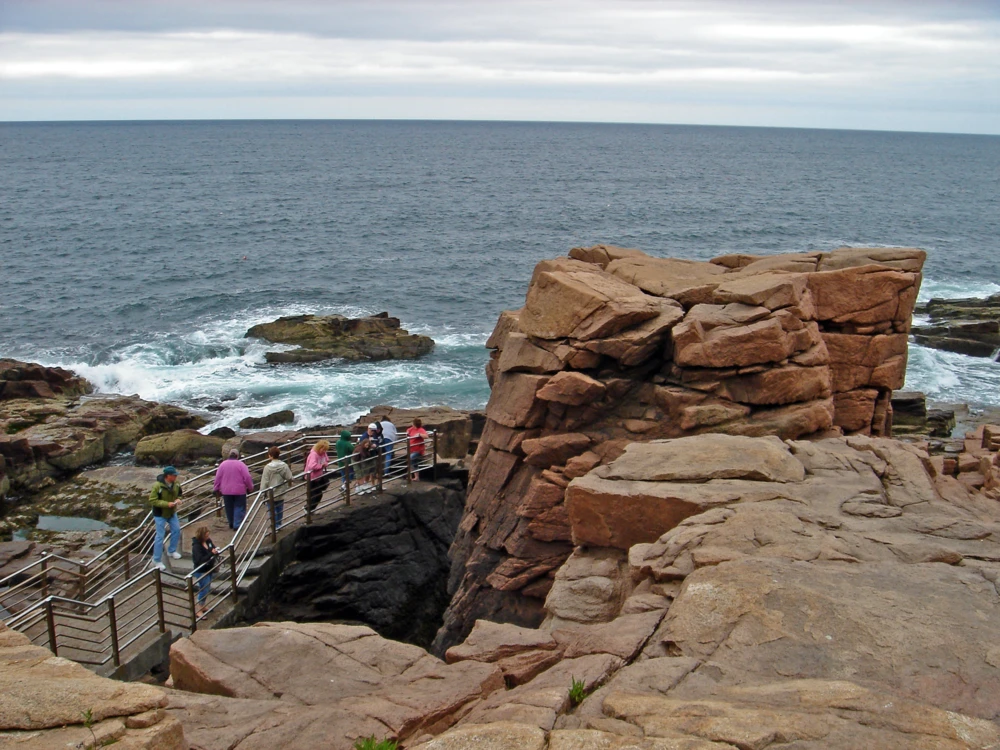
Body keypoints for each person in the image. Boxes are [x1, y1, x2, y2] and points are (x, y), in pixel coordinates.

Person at [149, 466, 183, 570]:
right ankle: (157, 560)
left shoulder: (176, 484)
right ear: (168, 476)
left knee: (177, 530)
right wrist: (166, 504)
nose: (176, 476)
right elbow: (152, 500)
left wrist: (178, 500)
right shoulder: (157, 486)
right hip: (160, 514)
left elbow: (180, 494)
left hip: (172, 512)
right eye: (174, 475)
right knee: (160, 536)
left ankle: (171, 550)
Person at [213, 449, 254, 530]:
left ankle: (231, 523)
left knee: (229, 507)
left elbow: (218, 477)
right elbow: (247, 477)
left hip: (226, 490)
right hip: (240, 490)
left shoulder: (222, 465)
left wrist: (216, 488)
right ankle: (237, 524)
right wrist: (250, 487)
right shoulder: (241, 464)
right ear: (237, 456)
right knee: (239, 507)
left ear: (229, 455)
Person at [260, 446, 293, 529]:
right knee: (279, 509)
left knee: (272, 510)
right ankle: (279, 524)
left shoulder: (267, 467)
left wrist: (262, 492)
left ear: (270, 455)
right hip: (281, 491)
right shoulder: (284, 465)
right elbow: (290, 477)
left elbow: (265, 482)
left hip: (270, 493)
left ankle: (274, 526)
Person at [191, 525, 220, 616]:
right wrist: (211, 553)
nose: (208, 537)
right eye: (206, 536)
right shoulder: (196, 547)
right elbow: (199, 560)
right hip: (201, 570)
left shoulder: (208, 541)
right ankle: (198, 609)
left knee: (206, 588)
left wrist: (215, 551)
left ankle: (202, 606)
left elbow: (212, 547)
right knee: (204, 589)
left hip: (209, 568)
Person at [304, 439, 331, 511]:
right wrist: (321, 465)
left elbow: (327, 459)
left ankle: (310, 509)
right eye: (324, 449)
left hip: (318, 477)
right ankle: (308, 509)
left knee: (316, 494)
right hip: (312, 478)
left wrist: (325, 462)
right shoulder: (314, 454)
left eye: (326, 450)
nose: (325, 451)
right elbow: (311, 466)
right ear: (319, 448)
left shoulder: (322, 453)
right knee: (316, 495)